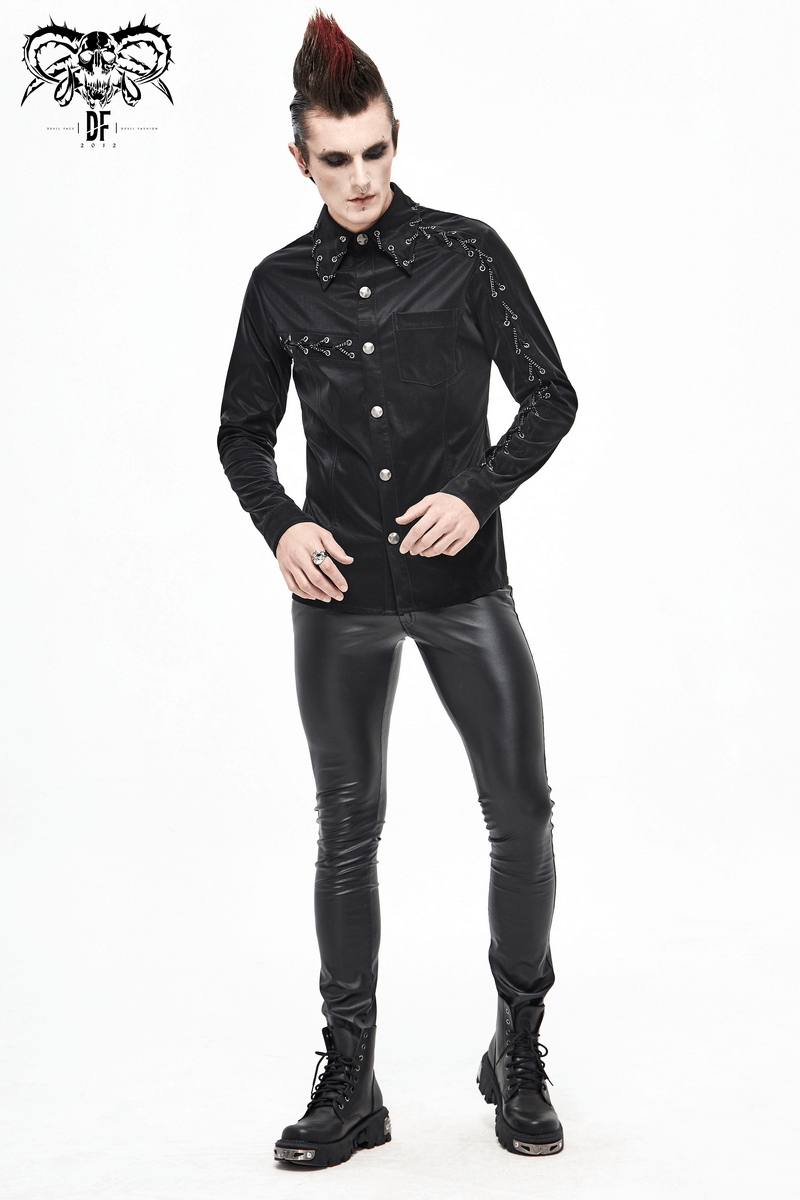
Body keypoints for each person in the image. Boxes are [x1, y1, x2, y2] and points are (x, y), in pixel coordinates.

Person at [217, 9, 578, 1170]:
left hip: (460, 583)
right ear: (301, 159)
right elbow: (240, 434)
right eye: (336, 158)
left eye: (374, 150)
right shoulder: (279, 287)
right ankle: (350, 1080)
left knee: (520, 811)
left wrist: (475, 492)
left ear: (393, 138)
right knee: (346, 826)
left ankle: (515, 1050)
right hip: (339, 594)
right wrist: (279, 525)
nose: (361, 177)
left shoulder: (467, 254)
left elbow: (548, 395)